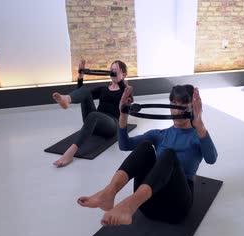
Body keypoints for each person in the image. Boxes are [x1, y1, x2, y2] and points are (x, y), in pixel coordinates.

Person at [77, 84, 217, 226]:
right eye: (173, 104)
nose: (176, 110)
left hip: (177, 208)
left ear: (193, 108)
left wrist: (199, 125)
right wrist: (123, 116)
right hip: (148, 206)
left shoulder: (197, 136)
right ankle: (109, 193)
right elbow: (124, 145)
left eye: (183, 105)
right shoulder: (159, 134)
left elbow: (211, 159)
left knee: (169, 154)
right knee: (144, 147)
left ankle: (130, 205)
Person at [51, 59, 131, 167]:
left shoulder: (125, 91)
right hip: (94, 120)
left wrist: (120, 81)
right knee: (85, 91)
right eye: (111, 70)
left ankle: (70, 153)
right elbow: (81, 94)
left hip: (112, 124)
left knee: (94, 115)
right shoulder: (103, 89)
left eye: (116, 70)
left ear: (124, 74)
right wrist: (80, 75)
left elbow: (128, 100)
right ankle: (67, 99)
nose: (113, 72)